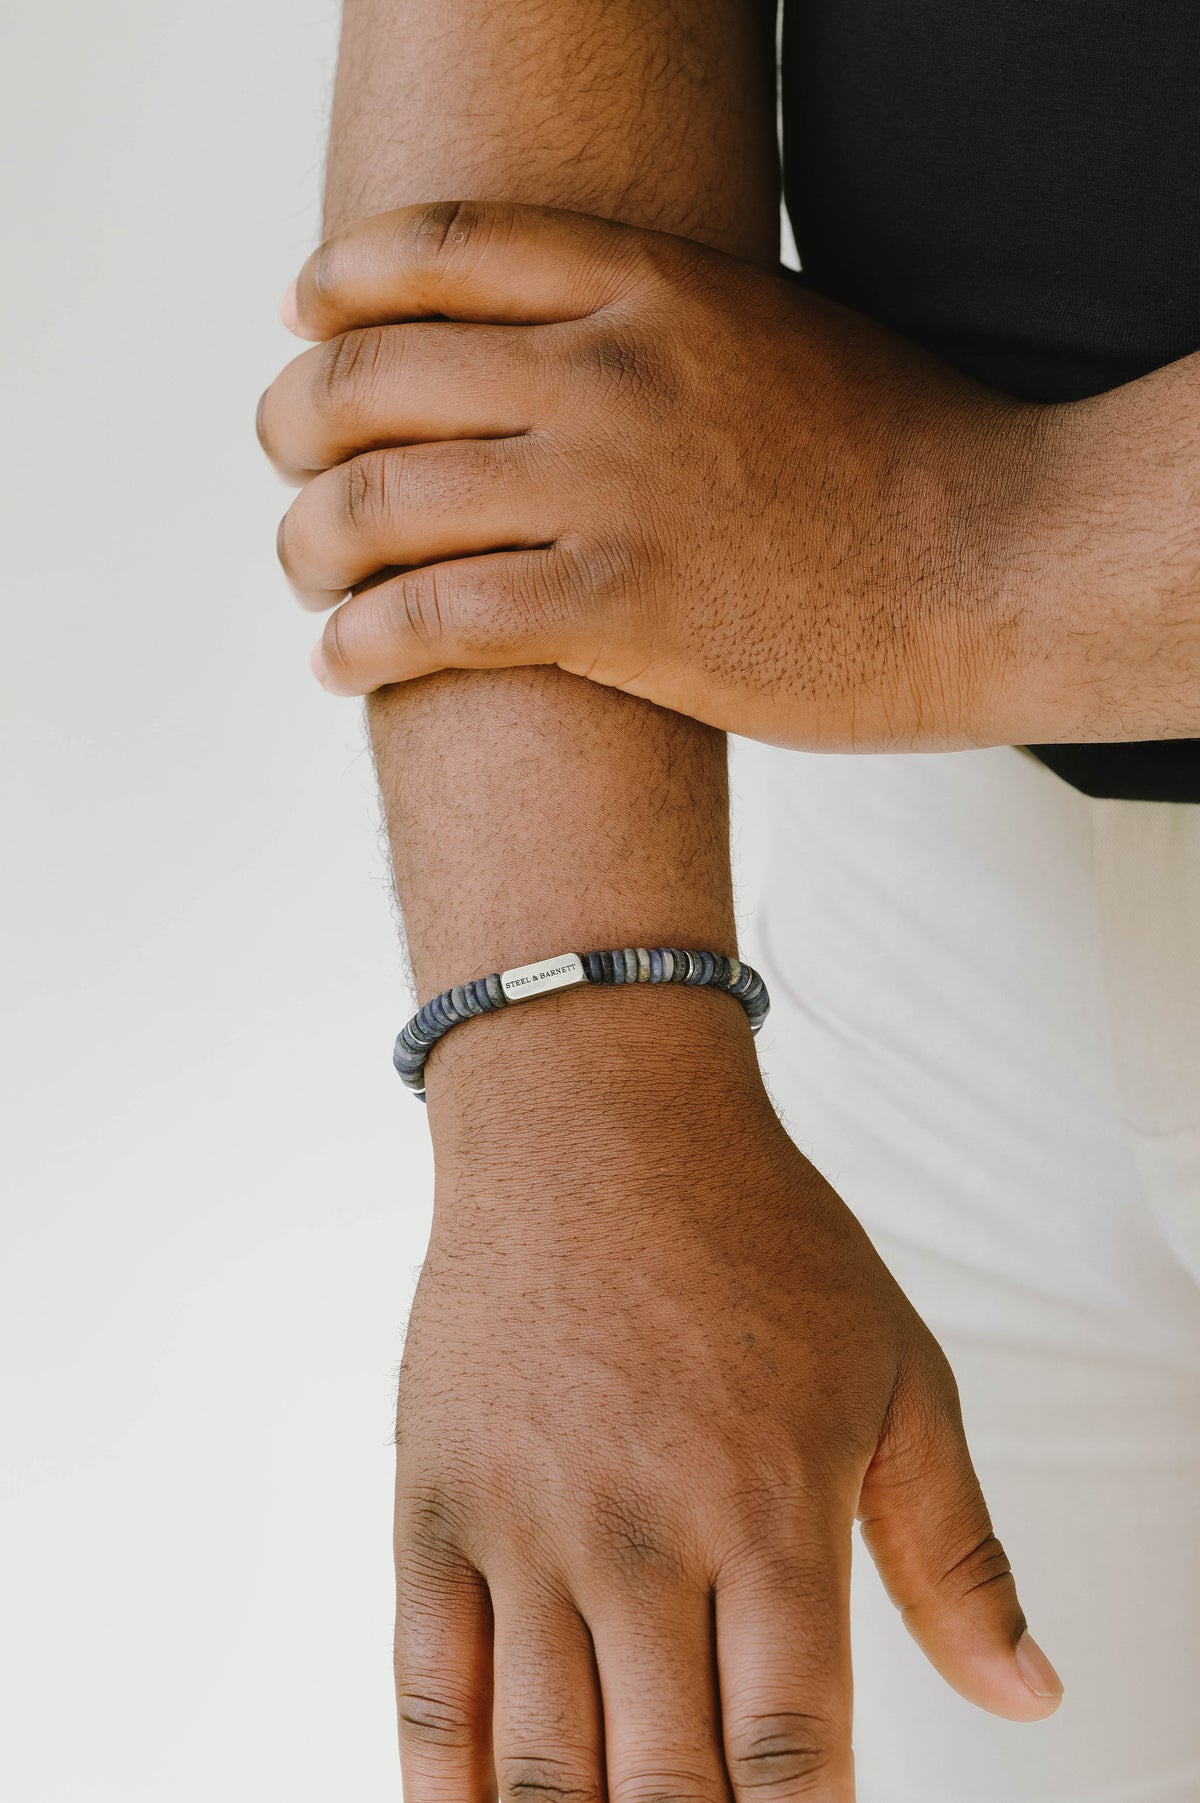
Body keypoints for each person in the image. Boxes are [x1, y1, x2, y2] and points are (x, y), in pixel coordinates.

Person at [255, 4, 1200, 1798]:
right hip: (917, 889)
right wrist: (578, 1076)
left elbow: (937, 558)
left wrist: (982, 550)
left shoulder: (937, 567)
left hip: (903, 619)